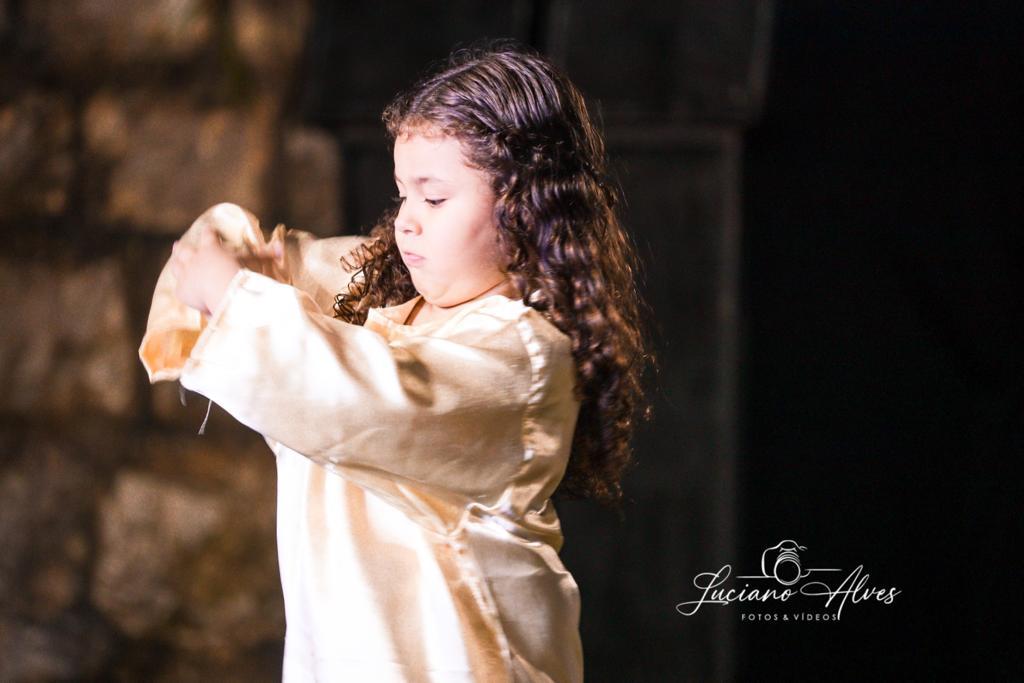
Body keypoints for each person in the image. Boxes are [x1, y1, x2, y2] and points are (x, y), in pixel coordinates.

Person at [139, 41, 653, 683]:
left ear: (523, 206)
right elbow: (277, 269)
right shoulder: (382, 303)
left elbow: (363, 393)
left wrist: (233, 294)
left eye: (434, 199)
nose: (406, 221)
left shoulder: (521, 360)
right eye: (402, 194)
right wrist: (236, 266)